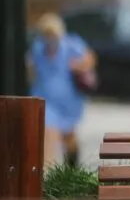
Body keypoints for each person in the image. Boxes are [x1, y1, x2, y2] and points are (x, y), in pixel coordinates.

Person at [27, 13, 96, 167]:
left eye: (53, 34)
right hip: (45, 97)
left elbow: (90, 60)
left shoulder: (71, 44)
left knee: (69, 137)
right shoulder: (38, 47)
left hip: (69, 100)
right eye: (46, 34)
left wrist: (76, 66)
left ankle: (72, 166)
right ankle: (46, 173)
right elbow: (32, 67)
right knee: (49, 132)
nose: (50, 39)